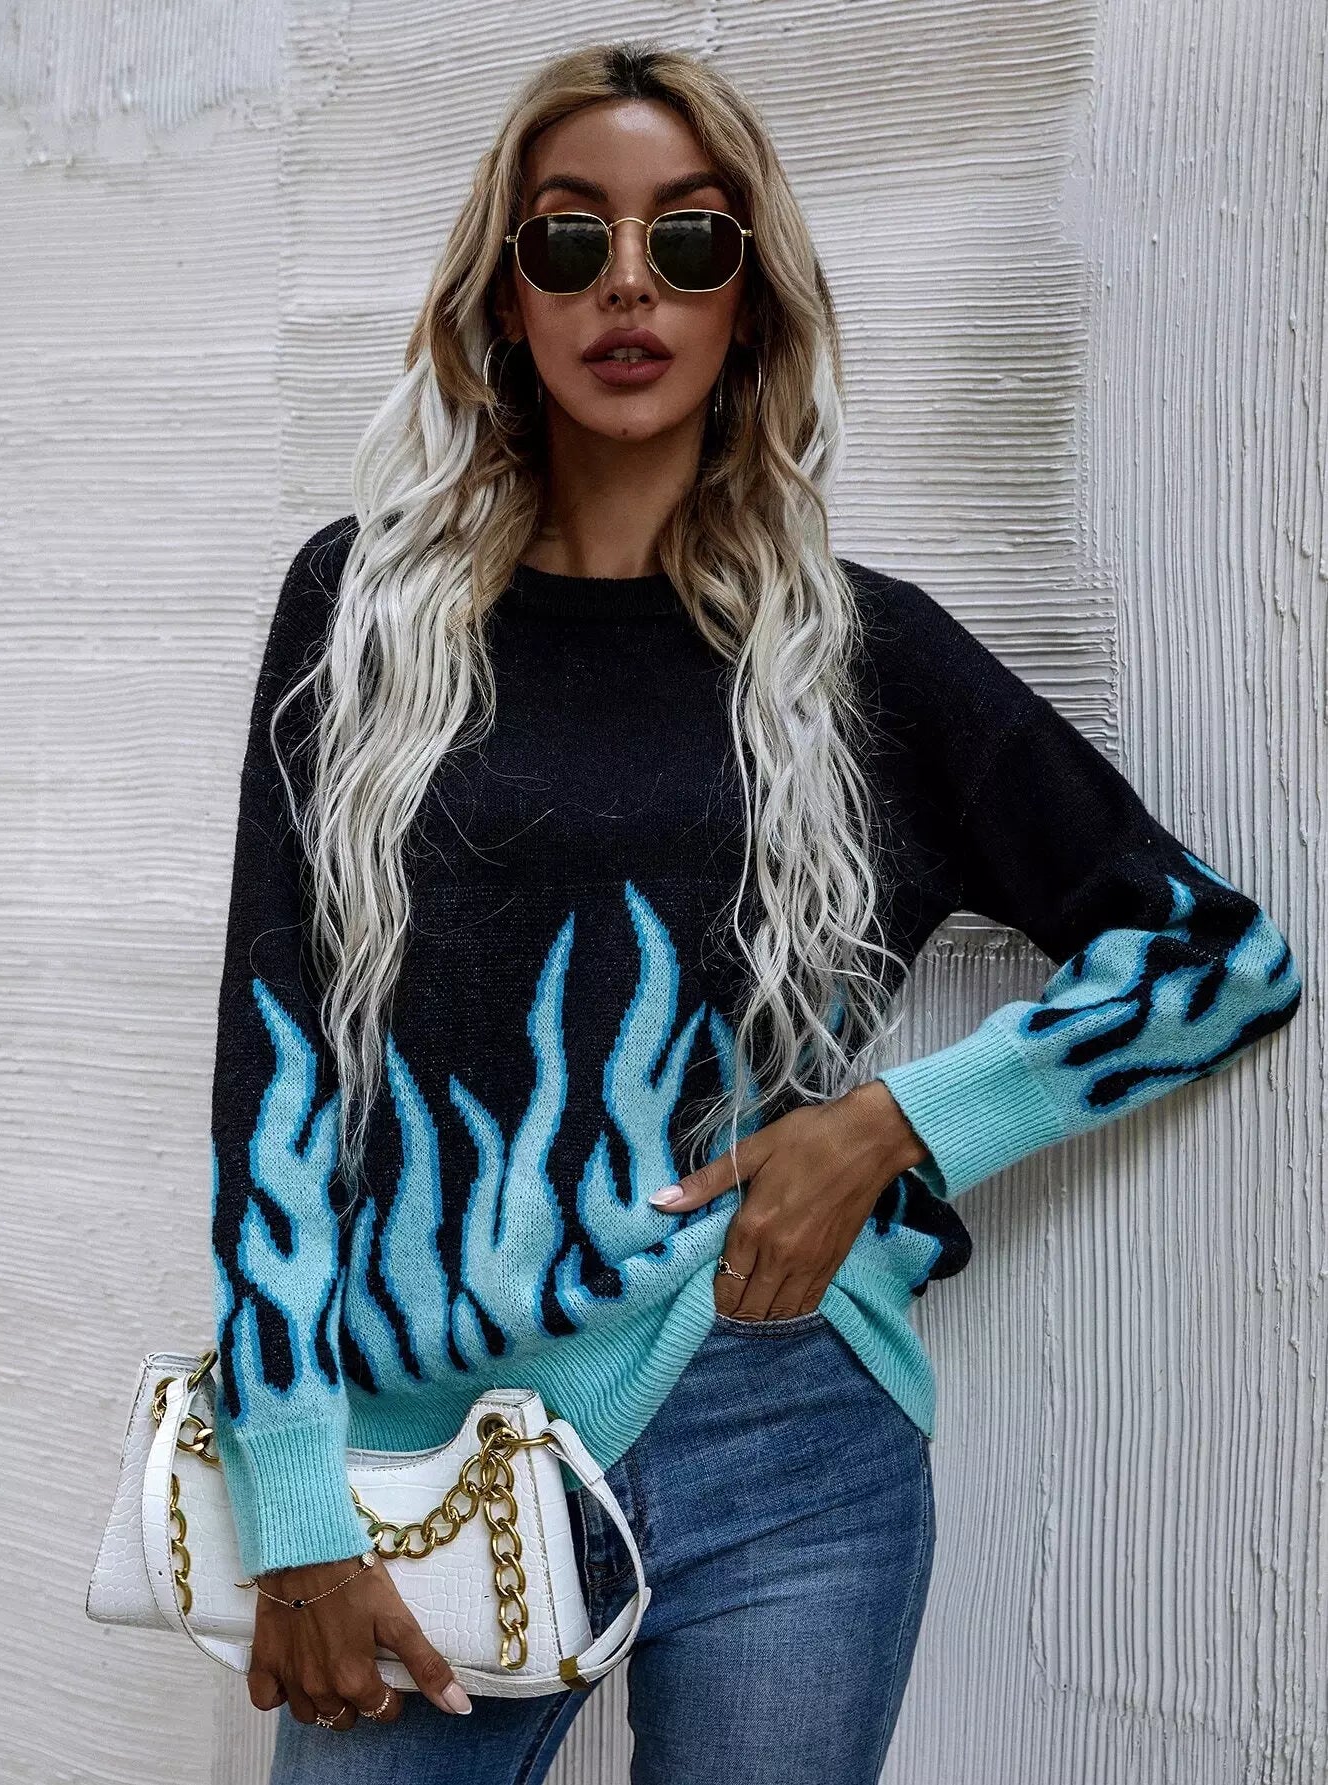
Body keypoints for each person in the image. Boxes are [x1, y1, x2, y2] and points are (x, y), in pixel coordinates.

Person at [204, 40, 1304, 1785]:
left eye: (690, 239)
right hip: (416, 1465)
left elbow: (1218, 957)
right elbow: (272, 1067)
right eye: (571, 238)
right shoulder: (362, 616)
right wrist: (290, 1500)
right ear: (506, 293)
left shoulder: (863, 658)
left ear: (751, 299)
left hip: (787, 1435)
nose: (628, 284)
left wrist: (891, 1124)